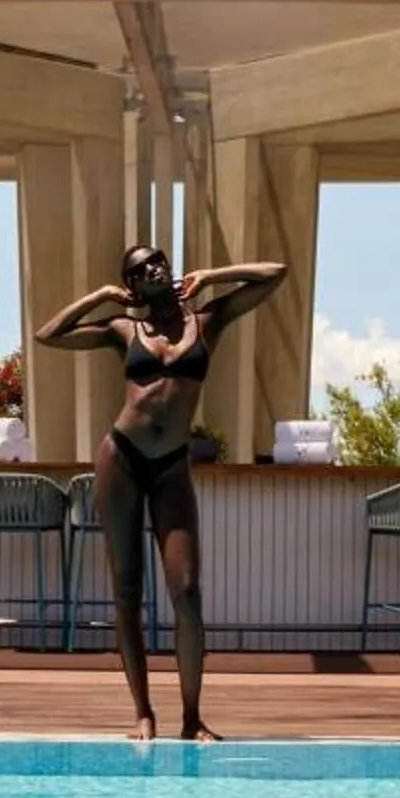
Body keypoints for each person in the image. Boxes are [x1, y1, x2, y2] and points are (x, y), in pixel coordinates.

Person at [37, 244, 288, 740]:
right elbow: (49, 335)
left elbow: (274, 274)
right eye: (138, 268)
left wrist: (213, 274)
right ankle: (143, 713)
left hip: (172, 466)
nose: (153, 267)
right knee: (127, 591)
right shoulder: (124, 330)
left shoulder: (208, 320)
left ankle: (192, 717)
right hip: (122, 459)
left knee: (188, 592)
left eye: (157, 259)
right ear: (132, 285)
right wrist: (102, 296)